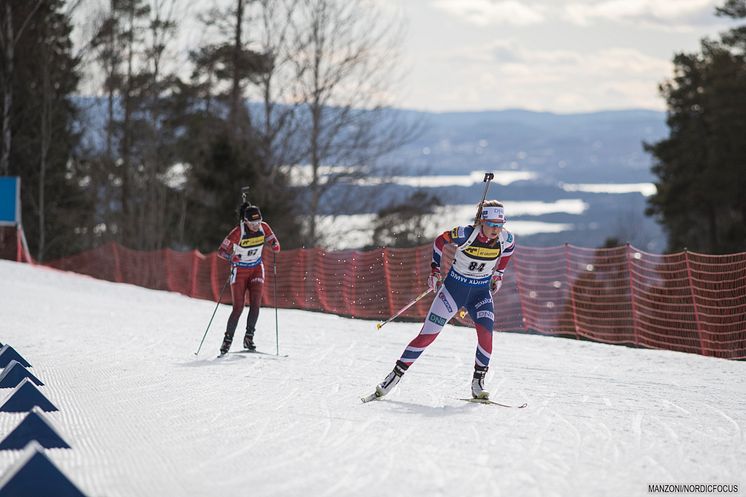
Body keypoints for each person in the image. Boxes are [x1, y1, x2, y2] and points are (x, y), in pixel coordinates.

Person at [373, 200, 515, 400]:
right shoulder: (466, 234)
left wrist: (498, 274)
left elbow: (509, 250)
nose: (496, 229)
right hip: (453, 292)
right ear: (482, 221)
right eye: (492, 224)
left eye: (500, 224)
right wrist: (434, 270)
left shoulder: (506, 238)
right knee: (427, 336)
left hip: (480, 295)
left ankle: (478, 382)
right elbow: (440, 241)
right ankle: (394, 376)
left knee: (486, 335)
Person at [217, 204, 281, 355]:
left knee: (256, 304)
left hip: (256, 269)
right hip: (239, 271)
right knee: (238, 307)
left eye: (258, 222)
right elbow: (221, 251)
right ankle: (227, 341)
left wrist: (275, 245)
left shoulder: (264, 227)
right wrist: (230, 257)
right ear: (245, 221)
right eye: (252, 223)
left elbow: (274, 241)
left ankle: (249, 338)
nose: (256, 226)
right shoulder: (238, 231)